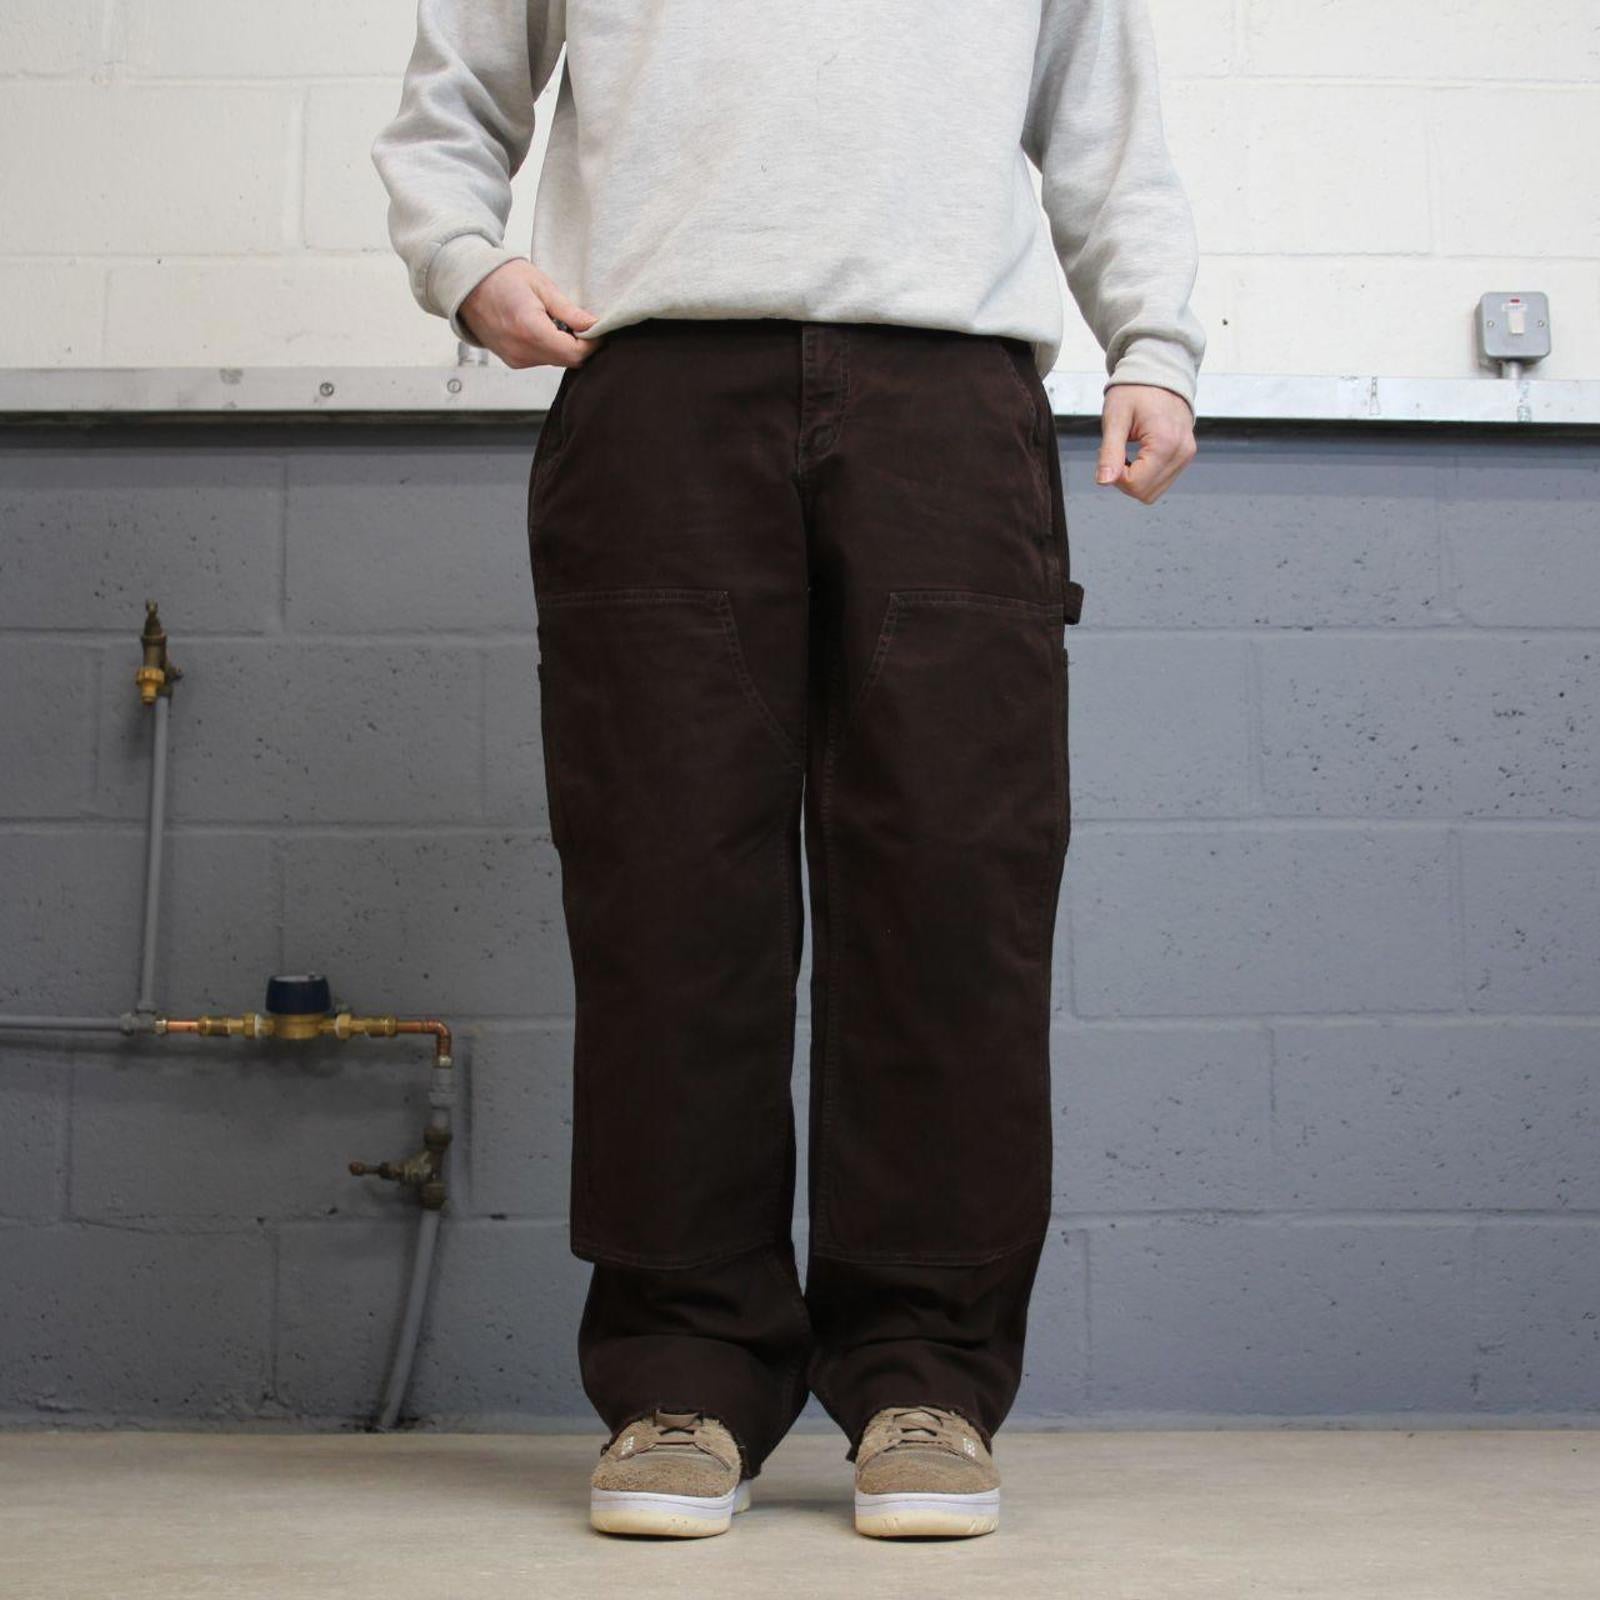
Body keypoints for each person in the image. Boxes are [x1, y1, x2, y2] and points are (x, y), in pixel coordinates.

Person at [373, 0, 1203, 1542]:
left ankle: (925, 1378)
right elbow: (453, 100)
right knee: (669, 899)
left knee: (952, 896)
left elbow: (1107, 125)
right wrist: (465, 260)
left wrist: (1152, 338)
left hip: (948, 395)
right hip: (656, 389)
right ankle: (683, 1376)